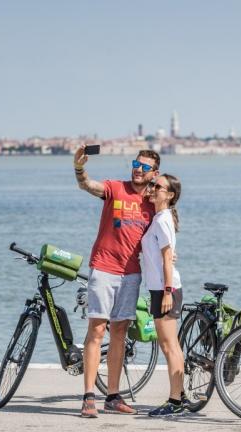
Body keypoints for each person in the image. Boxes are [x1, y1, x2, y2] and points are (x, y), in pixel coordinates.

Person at [74, 145, 160, 418]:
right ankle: (88, 396)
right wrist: (79, 167)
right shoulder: (115, 188)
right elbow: (87, 185)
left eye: (145, 167)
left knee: (120, 333)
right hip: (104, 268)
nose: (138, 169)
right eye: (136, 164)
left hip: (132, 273)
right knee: (97, 329)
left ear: (154, 173)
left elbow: (168, 223)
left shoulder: (153, 202)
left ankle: (112, 395)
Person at [140, 174, 187, 416]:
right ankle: (181, 396)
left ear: (169, 195)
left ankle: (175, 401)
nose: (152, 188)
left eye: (157, 186)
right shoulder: (159, 218)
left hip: (165, 289)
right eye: (152, 185)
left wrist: (168, 291)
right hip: (161, 288)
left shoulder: (162, 220)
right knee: (173, 346)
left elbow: (168, 258)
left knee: (169, 347)